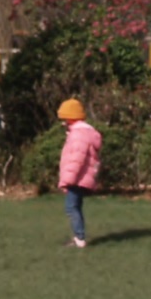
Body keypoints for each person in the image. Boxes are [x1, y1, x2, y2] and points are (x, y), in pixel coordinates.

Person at [56, 98, 102, 250]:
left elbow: (76, 160)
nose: (63, 123)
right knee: (76, 206)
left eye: (64, 120)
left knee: (71, 207)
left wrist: (67, 180)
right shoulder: (84, 133)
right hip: (82, 179)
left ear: (71, 119)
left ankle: (79, 239)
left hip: (77, 179)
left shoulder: (78, 135)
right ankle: (79, 237)